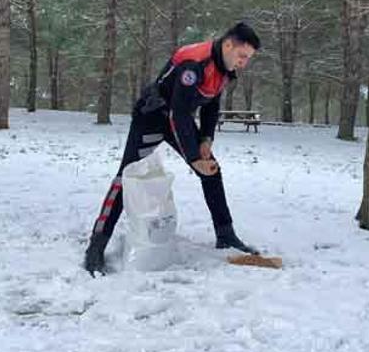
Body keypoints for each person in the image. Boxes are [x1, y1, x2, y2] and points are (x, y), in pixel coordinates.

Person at [84, 22, 262, 276]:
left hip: (179, 120)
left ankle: (226, 235)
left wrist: (206, 141)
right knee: (126, 177)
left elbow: (211, 104)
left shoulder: (225, 66)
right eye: (242, 56)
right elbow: (177, 113)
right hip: (152, 116)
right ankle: (96, 245)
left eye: (248, 58)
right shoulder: (194, 63)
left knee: (211, 171)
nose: (244, 62)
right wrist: (192, 157)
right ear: (228, 44)